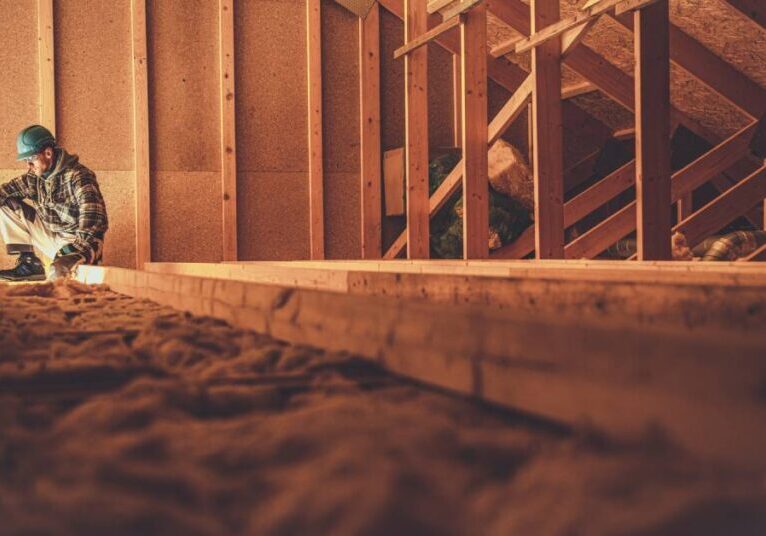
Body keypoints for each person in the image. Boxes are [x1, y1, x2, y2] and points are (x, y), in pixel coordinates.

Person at [0, 125, 108, 282]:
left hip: (79, 242)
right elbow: (4, 191)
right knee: (6, 204)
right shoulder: (34, 178)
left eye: (31, 160)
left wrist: (72, 251)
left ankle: (68, 266)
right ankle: (30, 264)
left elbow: (93, 224)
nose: (28, 166)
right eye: (26, 161)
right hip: (52, 236)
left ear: (48, 153)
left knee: (58, 273)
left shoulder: (78, 176)